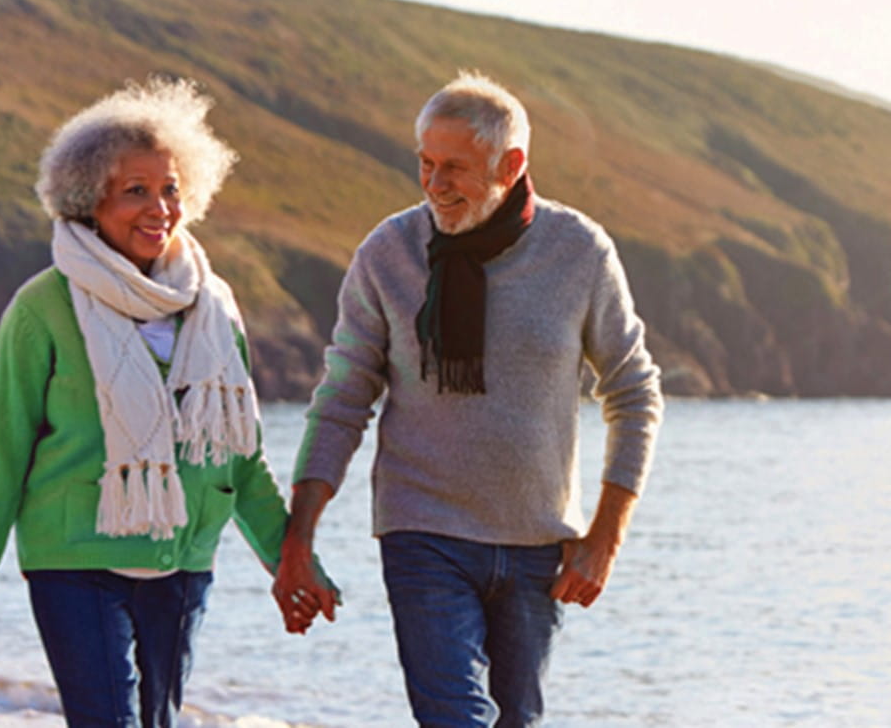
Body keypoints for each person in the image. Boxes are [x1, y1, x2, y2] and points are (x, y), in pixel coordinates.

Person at [0, 77, 334, 727]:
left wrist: (290, 560)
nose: (159, 207)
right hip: (75, 561)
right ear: (88, 200)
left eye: (171, 188)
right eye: (135, 190)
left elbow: (239, 460)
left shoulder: (214, 307)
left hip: (182, 565)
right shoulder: (43, 308)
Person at [275, 71, 663, 727]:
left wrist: (605, 536)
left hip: (540, 542)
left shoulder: (579, 252)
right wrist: (299, 537)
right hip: (422, 532)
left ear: (511, 165)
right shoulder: (388, 253)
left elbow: (634, 391)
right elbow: (342, 397)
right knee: (456, 718)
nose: (434, 184)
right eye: (425, 163)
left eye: (454, 167)